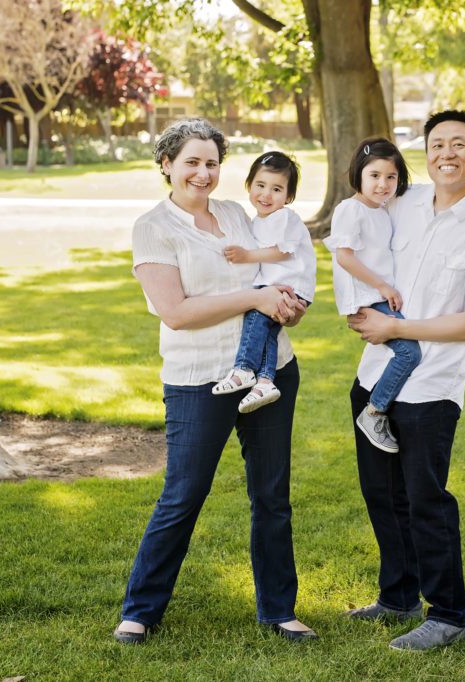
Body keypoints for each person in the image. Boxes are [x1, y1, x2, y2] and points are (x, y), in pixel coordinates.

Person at [115, 119, 317, 645]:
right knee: (183, 494)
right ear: (166, 165)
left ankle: (278, 609)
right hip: (199, 379)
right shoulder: (153, 226)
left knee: (271, 495)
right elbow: (176, 312)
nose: (203, 174)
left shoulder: (236, 215)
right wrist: (254, 299)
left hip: (271, 373)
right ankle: (140, 610)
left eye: (211, 163)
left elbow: (272, 278)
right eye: (191, 163)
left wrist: (286, 307)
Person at [344, 110, 465, 651]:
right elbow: (354, 238)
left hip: (432, 387)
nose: (448, 153)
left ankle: (448, 614)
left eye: (460, 145)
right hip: (373, 375)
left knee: (425, 500)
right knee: (381, 496)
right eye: (437, 143)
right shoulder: (401, 202)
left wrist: (398, 328)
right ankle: (397, 597)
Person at [324, 138, 420, 454]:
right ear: (359, 176)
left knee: (408, 350)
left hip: (378, 292)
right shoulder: (351, 210)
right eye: (374, 176)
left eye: (390, 177)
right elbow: (345, 257)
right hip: (368, 296)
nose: (383, 184)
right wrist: (383, 287)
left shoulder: (381, 210)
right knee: (410, 353)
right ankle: (374, 411)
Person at [213, 152, 316, 414]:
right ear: (249, 186)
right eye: (260, 185)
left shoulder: (285, 218)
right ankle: (266, 381)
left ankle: (244, 368)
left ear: (288, 197)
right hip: (279, 285)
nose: (266, 195)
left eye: (277, 189)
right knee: (269, 330)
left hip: (288, 285)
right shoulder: (260, 221)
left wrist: (248, 256)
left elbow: (282, 251)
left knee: (256, 316)